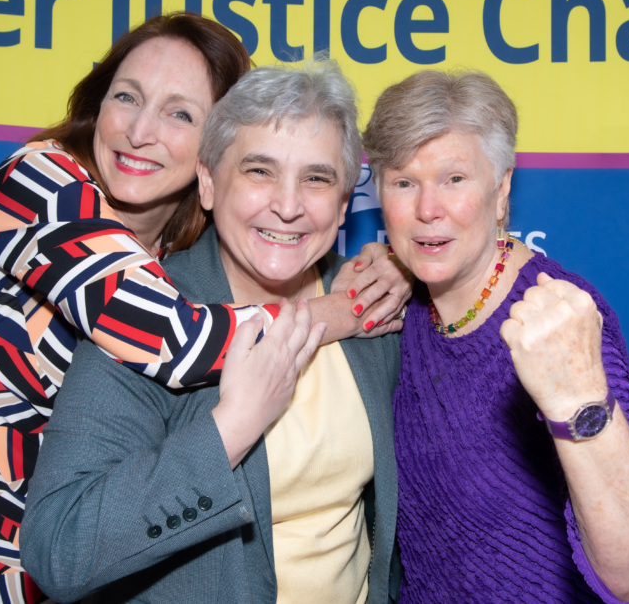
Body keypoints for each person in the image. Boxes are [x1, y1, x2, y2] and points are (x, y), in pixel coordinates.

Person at [0, 13, 406, 604]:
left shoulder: (169, 246)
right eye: (127, 96)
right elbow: (178, 335)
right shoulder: (38, 184)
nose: (141, 130)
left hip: (71, 549)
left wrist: (394, 264)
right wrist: (343, 311)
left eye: (180, 113)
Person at [20, 59, 401, 603]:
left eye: (316, 179)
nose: (288, 206)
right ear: (207, 182)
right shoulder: (147, 319)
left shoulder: (369, 301)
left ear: (343, 206)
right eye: (258, 170)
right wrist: (231, 428)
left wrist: (407, 266)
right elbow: (59, 547)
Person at [362, 70, 629, 603]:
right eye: (404, 182)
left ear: (502, 190)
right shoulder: (415, 302)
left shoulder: (557, 317)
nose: (428, 209)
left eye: (454, 179)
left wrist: (579, 398)